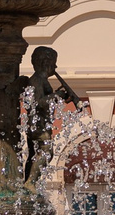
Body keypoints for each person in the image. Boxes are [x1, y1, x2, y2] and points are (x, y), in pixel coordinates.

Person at [23, 46, 81, 182]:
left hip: (40, 123)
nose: (55, 66)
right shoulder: (37, 80)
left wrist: (61, 98)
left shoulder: (42, 80)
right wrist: (56, 95)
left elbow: (45, 102)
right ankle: (30, 183)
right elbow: (37, 103)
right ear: (45, 63)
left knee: (34, 155)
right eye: (53, 62)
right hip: (37, 124)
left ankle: (29, 183)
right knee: (46, 152)